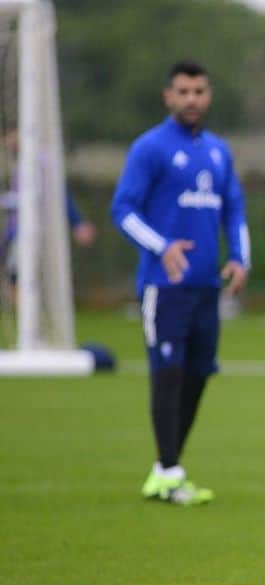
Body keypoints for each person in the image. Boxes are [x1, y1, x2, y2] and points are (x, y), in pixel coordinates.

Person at [111, 60, 251, 506]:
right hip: (164, 285)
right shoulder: (149, 148)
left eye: (200, 91)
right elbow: (124, 210)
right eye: (183, 92)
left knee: (197, 376)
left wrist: (240, 258)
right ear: (168, 96)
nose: (192, 99)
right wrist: (162, 246)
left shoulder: (218, 151)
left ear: (208, 96)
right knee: (167, 376)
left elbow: (234, 210)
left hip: (206, 287)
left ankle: (164, 468)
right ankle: (170, 472)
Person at [1, 127, 97, 303]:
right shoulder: (21, 162)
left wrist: (77, 222)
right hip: (15, 231)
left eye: (8, 136)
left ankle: (30, 320)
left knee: (19, 276)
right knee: (15, 275)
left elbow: (58, 193)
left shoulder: (40, 160)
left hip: (32, 231)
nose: (6, 142)